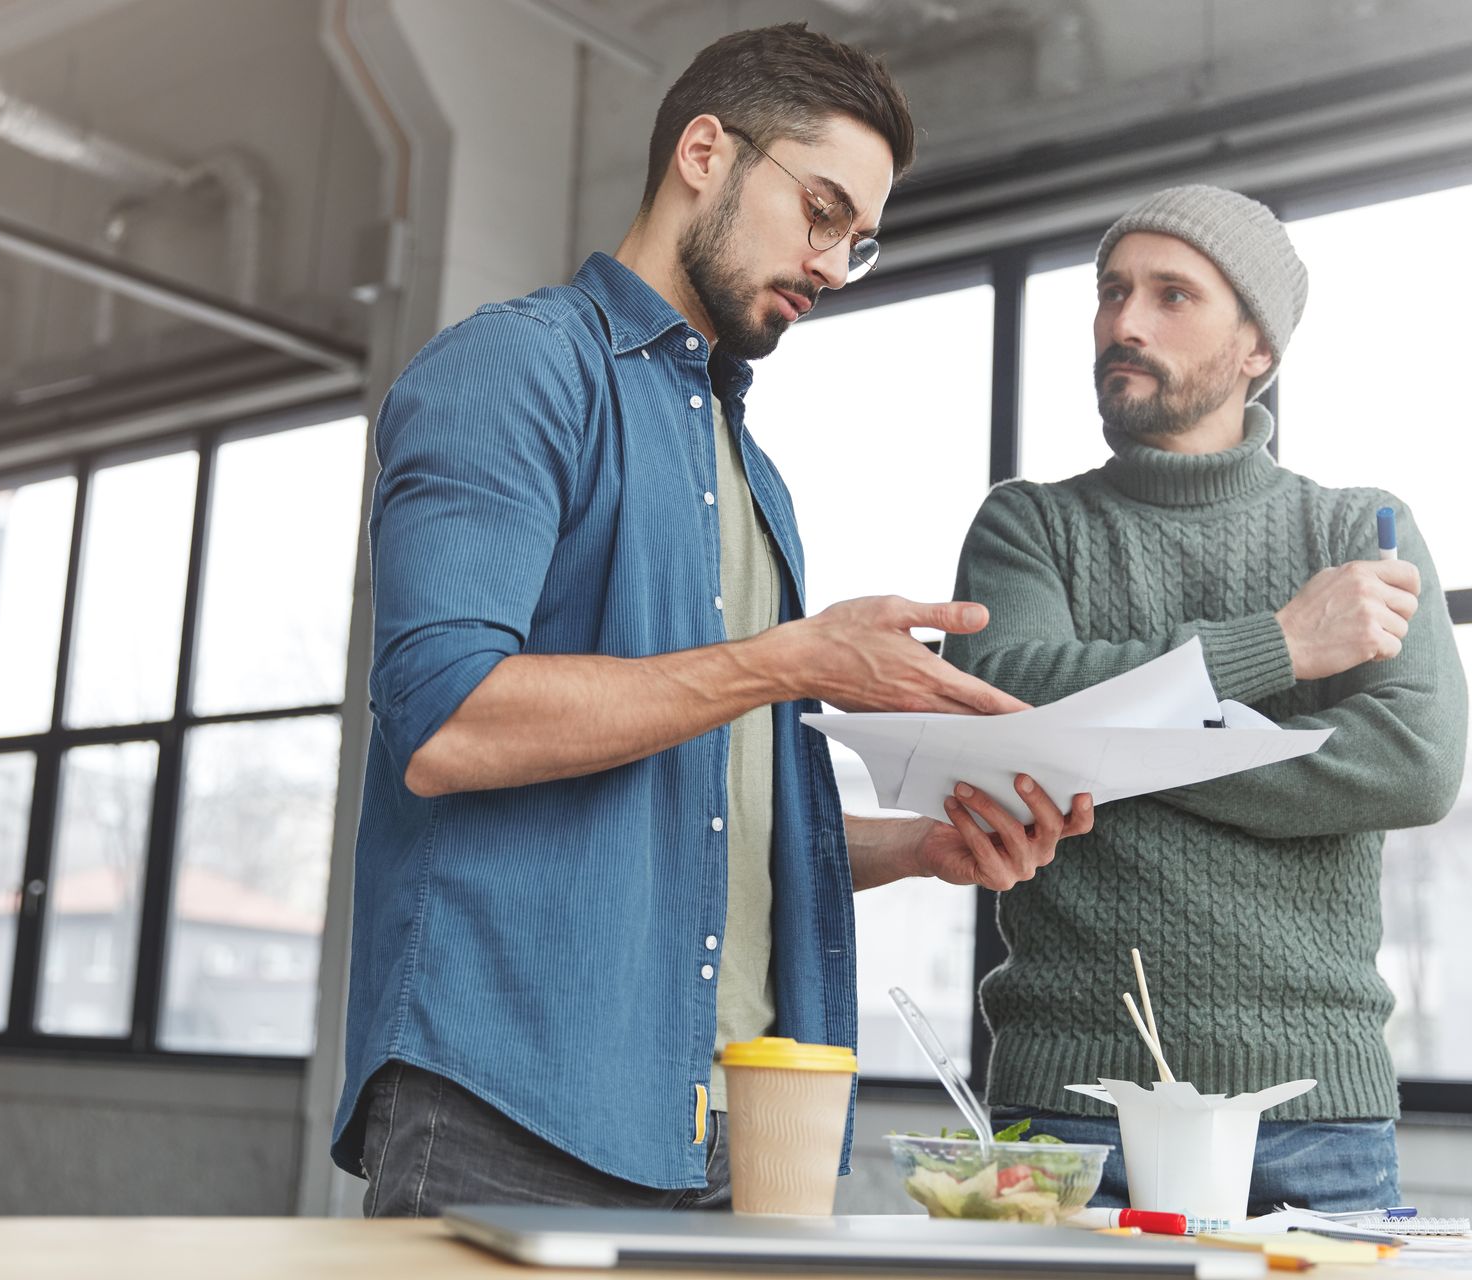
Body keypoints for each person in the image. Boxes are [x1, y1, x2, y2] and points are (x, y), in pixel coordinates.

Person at [334, 23, 1095, 1218]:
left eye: (861, 238)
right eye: (821, 209)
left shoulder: (755, 480)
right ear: (705, 151)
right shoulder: (512, 371)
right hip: (511, 1108)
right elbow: (446, 724)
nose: (837, 263)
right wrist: (787, 657)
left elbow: (705, 822)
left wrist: (921, 846)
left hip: (727, 1130)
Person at [942, 184, 1467, 1213]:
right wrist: (1277, 646)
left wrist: (1111, 741)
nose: (1123, 322)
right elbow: (1007, 714)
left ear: (1256, 349)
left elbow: (1413, 759)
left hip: (1316, 1111)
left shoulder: (1362, 530)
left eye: (1172, 294)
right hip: (1068, 1104)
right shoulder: (1026, 527)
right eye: (1112, 291)